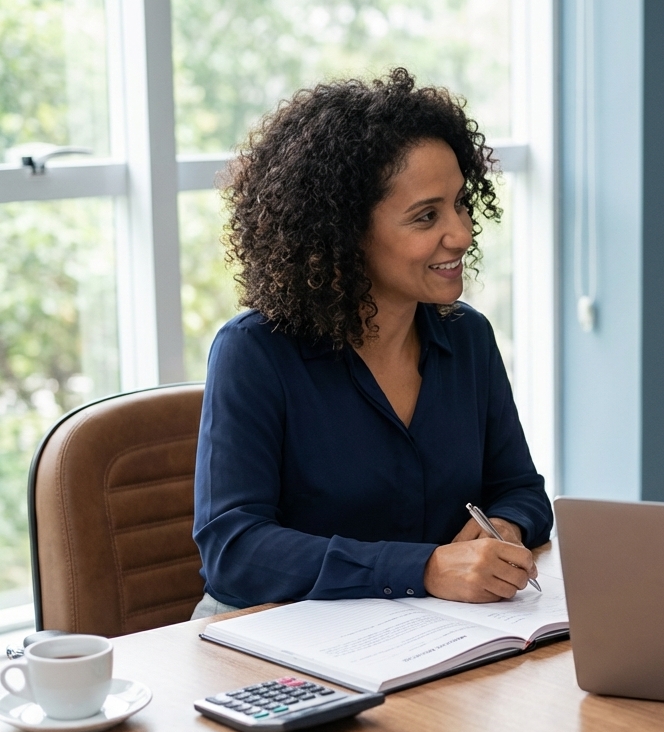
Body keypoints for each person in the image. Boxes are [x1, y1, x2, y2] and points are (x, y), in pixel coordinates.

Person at [191, 69, 551, 618]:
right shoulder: (254, 352)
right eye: (426, 216)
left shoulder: (467, 337)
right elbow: (234, 552)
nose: (461, 233)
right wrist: (425, 570)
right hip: (275, 644)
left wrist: (500, 530)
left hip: (432, 637)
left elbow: (522, 490)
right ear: (344, 232)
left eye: (460, 204)